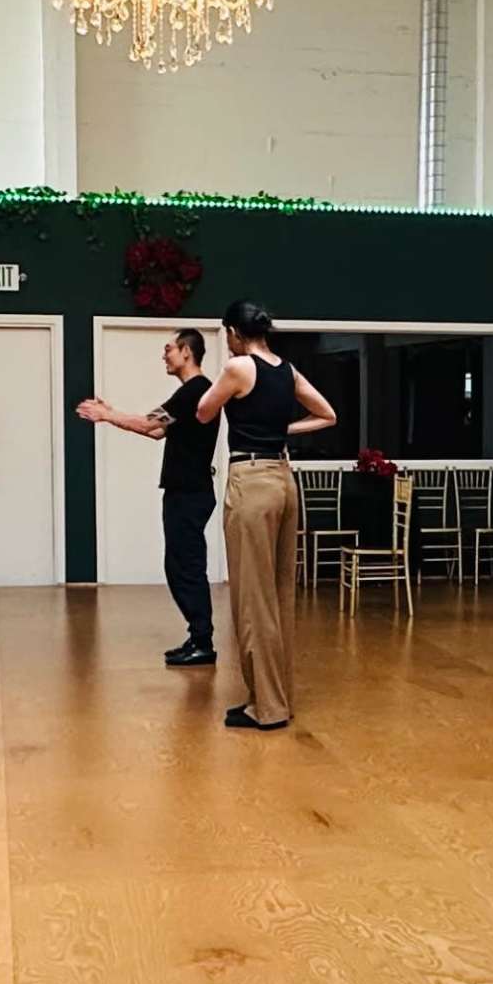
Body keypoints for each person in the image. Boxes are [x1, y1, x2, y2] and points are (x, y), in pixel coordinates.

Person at [192, 299, 335, 731]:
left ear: (235, 333)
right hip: (284, 480)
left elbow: (202, 412)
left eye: (228, 336)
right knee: (277, 595)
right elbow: (327, 415)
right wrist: (282, 429)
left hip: (251, 480)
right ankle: (273, 698)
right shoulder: (287, 370)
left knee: (253, 600)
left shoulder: (239, 368)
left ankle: (267, 708)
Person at [75, 327, 220, 667]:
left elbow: (146, 423)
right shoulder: (191, 394)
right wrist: (113, 413)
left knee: (187, 567)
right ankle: (197, 637)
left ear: (187, 352)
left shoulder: (195, 391)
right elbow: (156, 430)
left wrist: (107, 415)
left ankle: (203, 642)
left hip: (190, 493)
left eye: (169, 349)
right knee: (178, 566)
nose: (164, 356)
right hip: (184, 492)